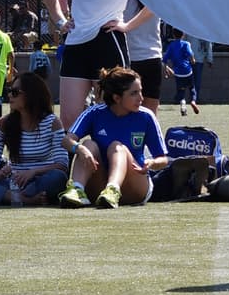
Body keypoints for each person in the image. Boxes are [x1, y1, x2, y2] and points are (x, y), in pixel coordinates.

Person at [43, 0, 132, 135]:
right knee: (69, 118)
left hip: (107, 41)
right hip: (76, 45)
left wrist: (128, 26)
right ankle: (68, 167)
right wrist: (61, 21)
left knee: (111, 111)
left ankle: (109, 166)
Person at [60, 66, 169, 208]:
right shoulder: (94, 113)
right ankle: (77, 189)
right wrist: (79, 148)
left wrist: (152, 163)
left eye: (140, 91)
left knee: (117, 147)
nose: (141, 98)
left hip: (135, 186)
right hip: (99, 185)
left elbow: (164, 159)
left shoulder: (146, 116)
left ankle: (113, 189)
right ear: (117, 98)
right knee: (88, 145)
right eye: (134, 93)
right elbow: (66, 140)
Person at [0, 70, 68, 206]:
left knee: (58, 178)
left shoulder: (52, 123)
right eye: (9, 90)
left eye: (15, 92)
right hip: (12, 183)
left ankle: (5, 197)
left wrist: (32, 172)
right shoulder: (3, 123)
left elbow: (62, 165)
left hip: (39, 180)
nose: (10, 95)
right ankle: (24, 199)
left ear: (31, 95)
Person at [163, 30, 197, 115]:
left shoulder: (171, 45)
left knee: (181, 91)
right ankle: (193, 101)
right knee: (192, 88)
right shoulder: (186, 44)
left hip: (178, 73)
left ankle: (183, 105)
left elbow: (164, 60)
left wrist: (166, 69)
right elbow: (190, 54)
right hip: (188, 71)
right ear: (183, 35)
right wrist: (193, 60)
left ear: (174, 35)